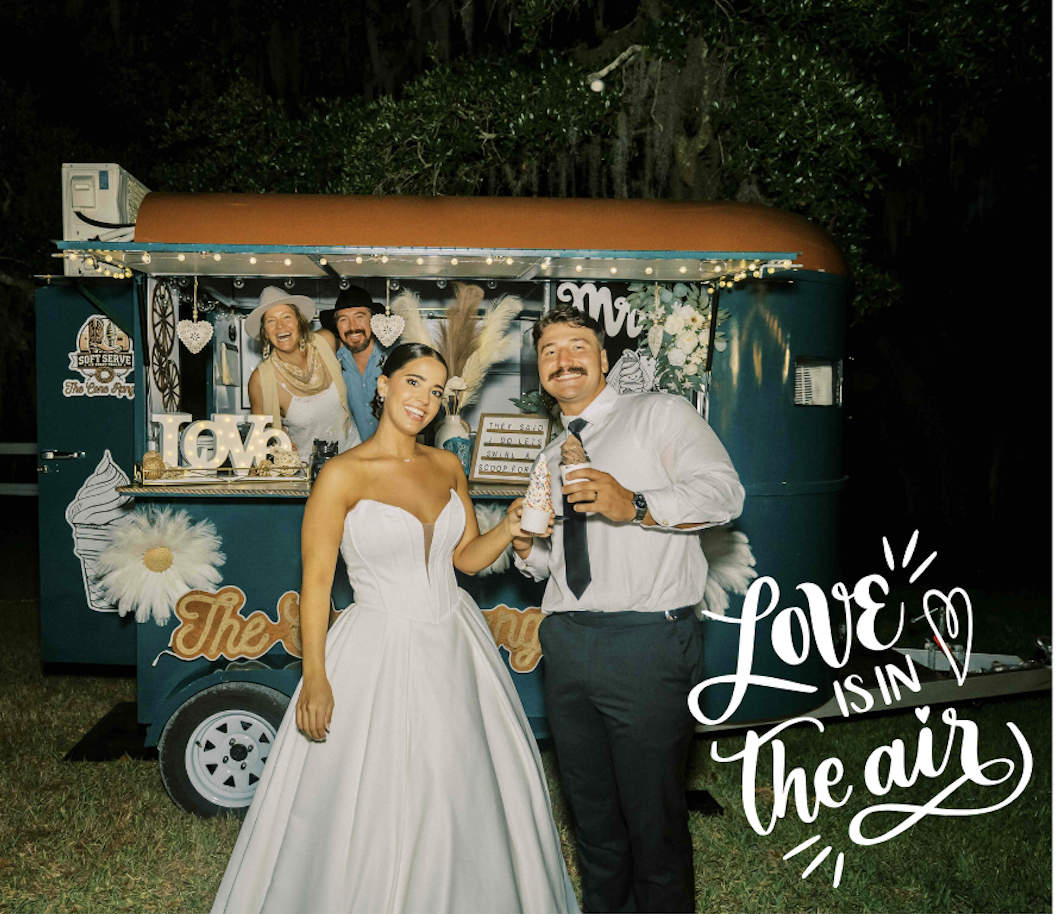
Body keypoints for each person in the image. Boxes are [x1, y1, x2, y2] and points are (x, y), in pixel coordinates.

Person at [213, 343, 579, 914]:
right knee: (371, 793)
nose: (423, 400)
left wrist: (508, 528)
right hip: (376, 644)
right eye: (412, 382)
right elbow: (316, 584)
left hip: (454, 641)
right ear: (383, 386)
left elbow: (465, 561)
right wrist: (316, 678)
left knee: (461, 782)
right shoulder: (341, 474)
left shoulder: (448, 466)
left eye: (436, 391)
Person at [512, 304, 744, 913]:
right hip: (566, 642)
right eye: (549, 351)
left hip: (646, 643)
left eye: (576, 345)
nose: (563, 359)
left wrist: (636, 504)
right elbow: (557, 563)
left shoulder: (658, 413)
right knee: (592, 817)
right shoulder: (551, 455)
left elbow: (724, 492)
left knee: (651, 818)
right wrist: (528, 551)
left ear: (604, 357)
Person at [247, 286, 361, 457]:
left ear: (299, 322)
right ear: (264, 332)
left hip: (352, 457)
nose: (280, 326)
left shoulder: (326, 342)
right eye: (271, 321)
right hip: (307, 469)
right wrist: (274, 439)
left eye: (287, 317)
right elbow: (258, 440)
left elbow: (359, 356)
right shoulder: (260, 380)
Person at [332, 285, 389, 442]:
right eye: (343, 319)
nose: (352, 326)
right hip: (352, 454)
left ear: (373, 320)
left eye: (359, 316)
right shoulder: (333, 365)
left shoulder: (394, 359)